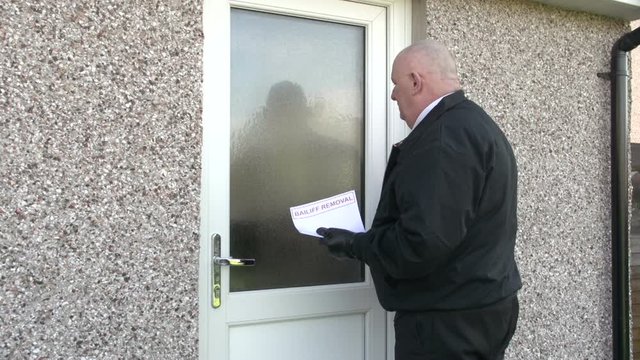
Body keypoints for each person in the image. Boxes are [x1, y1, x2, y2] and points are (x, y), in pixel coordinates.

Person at [316, 40, 521, 359]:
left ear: (415, 81)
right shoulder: (474, 124)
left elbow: (422, 243)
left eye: (396, 85)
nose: (393, 95)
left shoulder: (441, 140)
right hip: (481, 307)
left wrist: (356, 245)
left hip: (448, 322)